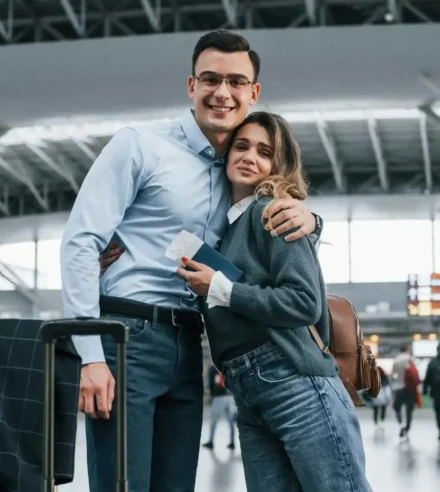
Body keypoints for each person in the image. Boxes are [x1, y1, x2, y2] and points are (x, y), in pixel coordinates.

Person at [60, 30, 322, 492]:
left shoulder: (237, 172)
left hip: (190, 345)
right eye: (211, 79)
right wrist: (89, 358)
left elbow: (272, 225)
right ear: (191, 86)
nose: (223, 93)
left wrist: (312, 218)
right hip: (128, 339)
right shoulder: (140, 145)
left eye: (236, 82)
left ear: (253, 93)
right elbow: (81, 242)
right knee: (122, 485)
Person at [174, 111, 371, 492]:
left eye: (264, 152)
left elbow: (304, 303)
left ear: (277, 167)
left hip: (293, 379)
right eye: (242, 146)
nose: (250, 156)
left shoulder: (273, 213)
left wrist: (220, 288)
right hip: (248, 392)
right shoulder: (227, 229)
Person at [203, 363, 237, 449]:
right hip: (230, 396)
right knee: (231, 422)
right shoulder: (228, 364)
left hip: (219, 397)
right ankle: (232, 442)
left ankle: (211, 441)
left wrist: (211, 395)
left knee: (214, 421)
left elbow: (211, 382)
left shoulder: (212, 368)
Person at [391, 344, 416, 438]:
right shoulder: (411, 359)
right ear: (407, 350)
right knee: (409, 410)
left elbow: (393, 375)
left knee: (397, 407)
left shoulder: (396, 360)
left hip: (399, 387)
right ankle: (407, 428)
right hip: (410, 388)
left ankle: (401, 423)